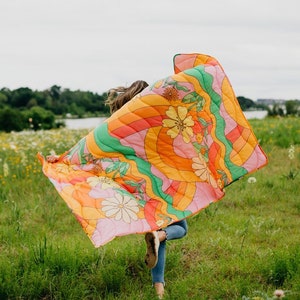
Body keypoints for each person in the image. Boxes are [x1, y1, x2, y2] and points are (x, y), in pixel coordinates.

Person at [46, 80, 188, 299]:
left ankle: (159, 289)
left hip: (139, 185)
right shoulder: (158, 118)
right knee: (180, 227)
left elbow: (90, 145)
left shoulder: (117, 125)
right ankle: (159, 242)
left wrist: (63, 159)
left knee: (159, 230)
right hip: (164, 183)